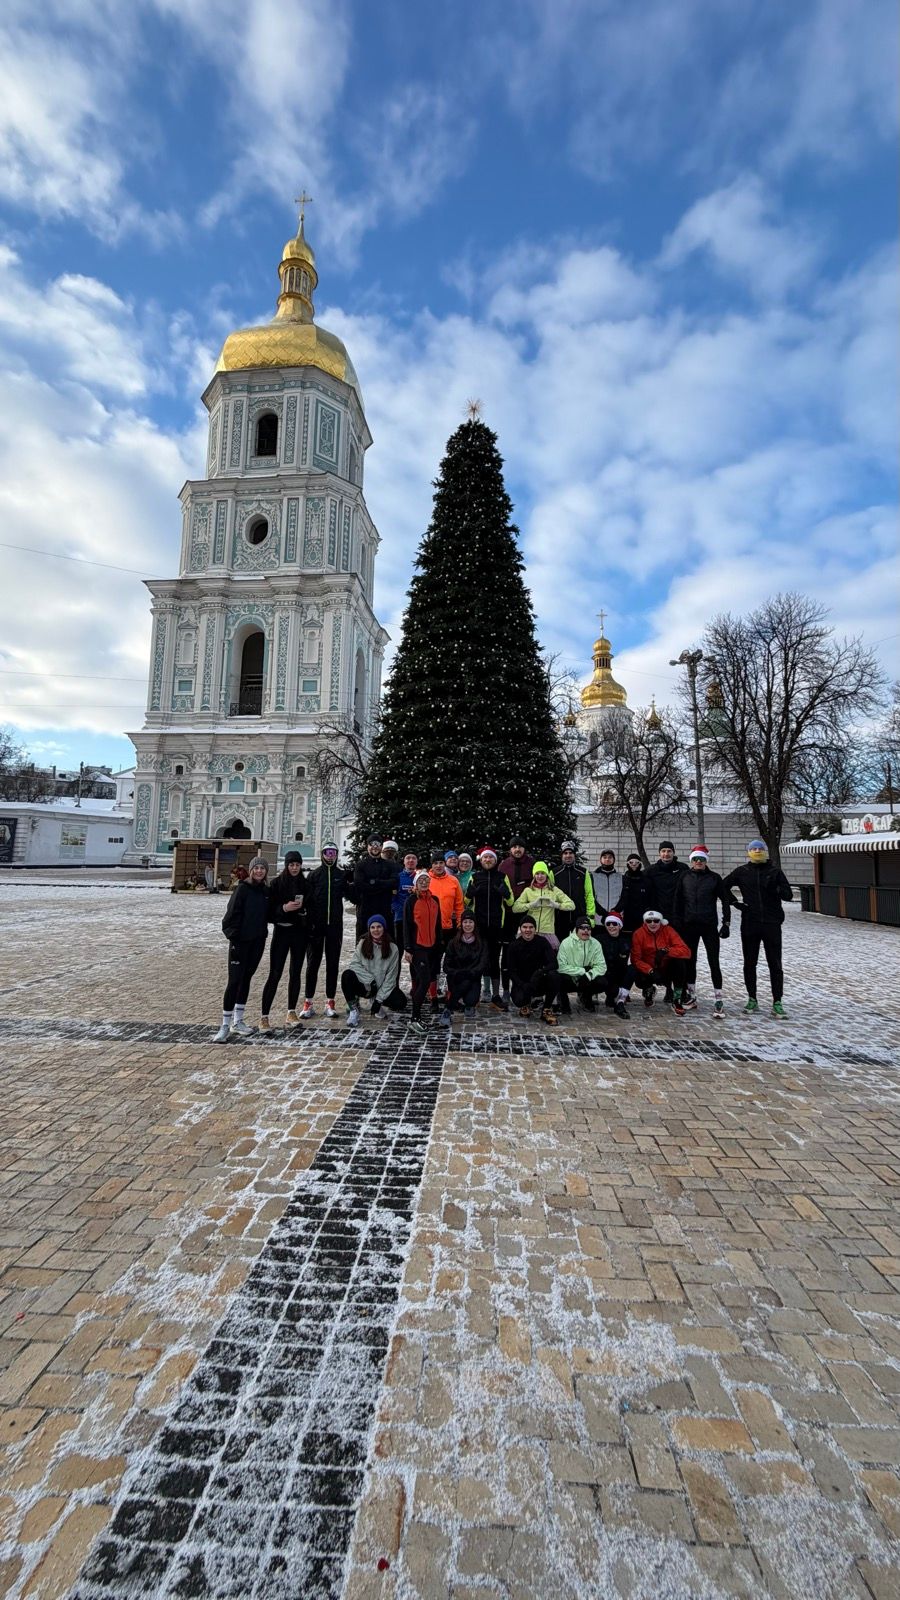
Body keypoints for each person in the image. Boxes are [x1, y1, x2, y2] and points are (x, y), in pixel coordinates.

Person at [722, 840, 793, 1018]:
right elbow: (723, 886)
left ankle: (777, 1001)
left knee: (775, 963)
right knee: (749, 962)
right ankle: (752, 998)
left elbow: (788, 895)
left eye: (760, 849)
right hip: (750, 922)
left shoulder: (775, 871)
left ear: (765, 851)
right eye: (753, 849)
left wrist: (776, 888)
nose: (757, 851)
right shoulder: (742, 871)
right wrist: (735, 903)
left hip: (772, 923)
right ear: (748, 852)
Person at [214, 856, 270, 1041]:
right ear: (251, 870)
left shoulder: (265, 891)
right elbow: (229, 917)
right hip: (240, 943)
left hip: (257, 942)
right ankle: (224, 1025)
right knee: (234, 982)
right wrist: (234, 938)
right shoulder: (242, 889)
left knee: (246, 979)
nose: (259, 871)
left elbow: (269, 914)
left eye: (262, 868)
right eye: (256, 868)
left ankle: (238, 1021)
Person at [672, 845, 731, 1017]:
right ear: (691, 861)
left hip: (709, 925)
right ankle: (692, 996)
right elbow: (677, 900)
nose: (699, 862)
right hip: (689, 925)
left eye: (702, 859)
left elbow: (725, 900)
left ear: (706, 861)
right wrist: (677, 922)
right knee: (690, 961)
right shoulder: (684, 876)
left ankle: (718, 999)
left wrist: (726, 923)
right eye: (696, 859)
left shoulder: (714, 878)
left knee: (714, 962)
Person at [302, 842, 351, 1019]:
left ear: (336, 855)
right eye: (327, 852)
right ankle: (308, 1002)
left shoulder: (340, 875)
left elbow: (351, 895)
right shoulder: (314, 875)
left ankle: (330, 1001)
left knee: (333, 964)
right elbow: (307, 900)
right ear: (322, 854)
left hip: (334, 927)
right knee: (312, 964)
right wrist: (309, 923)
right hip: (316, 927)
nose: (330, 856)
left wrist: (353, 881)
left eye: (333, 853)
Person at [259, 851, 307, 1031]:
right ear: (287, 865)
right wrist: (284, 909)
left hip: (299, 933)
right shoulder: (277, 884)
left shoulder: (305, 884)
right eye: (291, 864)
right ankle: (264, 1016)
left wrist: (304, 913)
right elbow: (269, 912)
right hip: (281, 932)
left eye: (297, 865)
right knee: (275, 973)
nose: (294, 868)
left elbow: (311, 906)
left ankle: (291, 1011)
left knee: (296, 972)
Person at [465, 848, 513, 1007]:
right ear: (481, 860)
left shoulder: (502, 877)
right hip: (478, 926)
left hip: (496, 925)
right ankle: (484, 990)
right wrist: (469, 894)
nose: (487, 860)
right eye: (485, 857)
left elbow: (511, 902)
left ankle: (495, 994)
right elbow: (466, 903)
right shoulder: (475, 877)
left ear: (495, 860)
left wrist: (506, 893)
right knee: (480, 959)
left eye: (490, 858)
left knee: (494, 959)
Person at [341, 914, 408, 1026]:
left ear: (384, 928)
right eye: (372, 927)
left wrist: (378, 1000)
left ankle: (375, 1001)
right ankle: (354, 1010)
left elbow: (391, 978)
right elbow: (354, 965)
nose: (376, 930)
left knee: (400, 1002)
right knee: (347, 975)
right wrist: (370, 980)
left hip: (381, 987)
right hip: (366, 985)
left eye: (379, 927)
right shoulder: (363, 943)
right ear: (369, 929)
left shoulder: (393, 948)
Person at [644, 842, 689, 1000]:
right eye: (663, 851)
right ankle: (667, 988)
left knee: (678, 955)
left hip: (679, 919)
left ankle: (681, 989)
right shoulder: (651, 871)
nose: (666, 854)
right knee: (662, 954)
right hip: (658, 921)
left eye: (669, 851)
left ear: (673, 852)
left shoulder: (683, 869)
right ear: (659, 853)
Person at [403, 870, 443, 1033]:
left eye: (427, 880)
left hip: (432, 947)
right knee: (425, 981)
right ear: (416, 884)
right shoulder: (411, 900)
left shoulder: (435, 900)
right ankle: (414, 1018)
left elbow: (438, 924)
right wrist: (408, 948)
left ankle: (417, 1016)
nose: (424, 882)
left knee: (425, 980)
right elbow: (407, 925)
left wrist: (439, 944)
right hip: (417, 947)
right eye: (421, 880)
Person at [629, 910, 690, 1010]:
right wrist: (650, 970)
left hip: (665, 968)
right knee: (635, 972)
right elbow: (635, 959)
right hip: (649, 970)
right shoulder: (638, 934)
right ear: (645, 922)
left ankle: (677, 998)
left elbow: (686, 951)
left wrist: (666, 951)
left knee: (680, 963)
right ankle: (649, 989)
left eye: (656, 921)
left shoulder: (668, 930)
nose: (652, 924)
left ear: (661, 921)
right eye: (649, 921)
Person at [504, 913, 559, 1023]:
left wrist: (540, 972)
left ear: (535, 929)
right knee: (519, 1000)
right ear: (520, 929)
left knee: (555, 976)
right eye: (525, 927)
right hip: (522, 983)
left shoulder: (542, 942)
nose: (528, 930)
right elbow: (510, 970)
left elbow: (554, 963)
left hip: (538, 980)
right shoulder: (514, 945)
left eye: (531, 927)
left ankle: (546, 1008)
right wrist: (521, 984)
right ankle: (525, 1004)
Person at [498, 836, 534, 996]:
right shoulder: (504, 865)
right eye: (514, 847)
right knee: (507, 952)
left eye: (520, 846)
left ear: (524, 849)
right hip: (508, 914)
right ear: (510, 849)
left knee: (527, 951)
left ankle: (526, 988)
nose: (517, 849)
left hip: (526, 913)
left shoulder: (532, 864)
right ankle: (506, 989)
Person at [557, 916, 608, 1014]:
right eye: (582, 928)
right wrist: (582, 971)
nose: (586, 931)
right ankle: (563, 1000)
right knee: (559, 978)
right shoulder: (566, 943)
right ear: (576, 929)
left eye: (588, 928)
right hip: (571, 978)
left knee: (602, 982)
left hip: (586, 980)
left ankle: (585, 997)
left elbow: (602, 966)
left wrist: (588, 975)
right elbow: (561, 966)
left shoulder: (596, 944)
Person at [442, 909, 487, 1019]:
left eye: (470, 922)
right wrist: (458, 973)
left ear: (475, 924)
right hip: (456, 978)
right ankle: (453, 1003)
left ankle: (450, 1005)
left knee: (470, 1000)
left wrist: (469, 973)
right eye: (465, 922)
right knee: (463, 983)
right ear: (461, 924)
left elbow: (482, 965)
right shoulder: (453, 942)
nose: (468, 925)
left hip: (473, 978)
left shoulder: (481, 943)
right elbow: (446, 966)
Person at [512, 862, 575, 939]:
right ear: (534, 876)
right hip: (530, 930)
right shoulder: (528, 890)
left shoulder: (554, 890)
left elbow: (571, 905)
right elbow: (515, 908)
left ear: (547, 875)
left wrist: (556, 905)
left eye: (542, 873)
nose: (540, 876)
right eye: (537, 873)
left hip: (547, 931)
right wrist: (531, 904)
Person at [353, 834, 398, 939]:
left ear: (381, 847)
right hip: (366, 908)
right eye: (371, 844)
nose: (375, 847)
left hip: (384, 908)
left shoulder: (389, 865)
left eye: (377, 844)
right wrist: (383, 885)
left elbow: (394, 882)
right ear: (367, 847)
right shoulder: (361, 865)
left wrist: (374, 882)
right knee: (364, 940)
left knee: (387, 939)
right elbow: (360, 885)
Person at [552, 840, 595, 940]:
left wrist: (590, 916)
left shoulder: (583, 872)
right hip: (560, 917)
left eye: (570, 853)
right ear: (562, 855)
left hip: (579, 917)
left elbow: (589, 895)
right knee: (561, 945)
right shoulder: (554, 873)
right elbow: (551, 896)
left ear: (574, 855)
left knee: (580, 945)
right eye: (565, 853)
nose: (568, 855)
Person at [596, 912, 631, 1018]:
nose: (611, 926)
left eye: (614, 924)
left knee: (632, 970)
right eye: (608, 924)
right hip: (604, 973)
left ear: (620, 926)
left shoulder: (626, 941)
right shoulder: (599, 939)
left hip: (619, 973)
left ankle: (620, 999)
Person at [618, 852, 649, 932]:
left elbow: (650, 899)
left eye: (636, 862)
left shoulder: (646, 881)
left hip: (642, 918)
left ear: (640, 864)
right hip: (627, 919)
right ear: (627, 864)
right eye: (631, 862)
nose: (634, 864)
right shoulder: (622, 880)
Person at [393, 851, 418, 946]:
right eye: (408, 858)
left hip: (417, 919)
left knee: (415, 947)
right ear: (404, 861)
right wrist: (402, 910)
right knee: (400, 946)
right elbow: (393, 899)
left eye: (413, 858)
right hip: (400, 918)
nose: (411, 860)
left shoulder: (421, 877)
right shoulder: (398, 877)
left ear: (417, 861)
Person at [592, 849, 623, 921]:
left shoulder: (620, 877)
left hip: (615, 918)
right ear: (600, 860)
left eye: (610, 857)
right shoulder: (593, 876)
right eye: (604, 857)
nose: (607, 859)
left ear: (614, 860)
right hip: (598, 918)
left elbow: (624, 897)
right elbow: (590, 897)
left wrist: (615, 911)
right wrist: (602, 912)